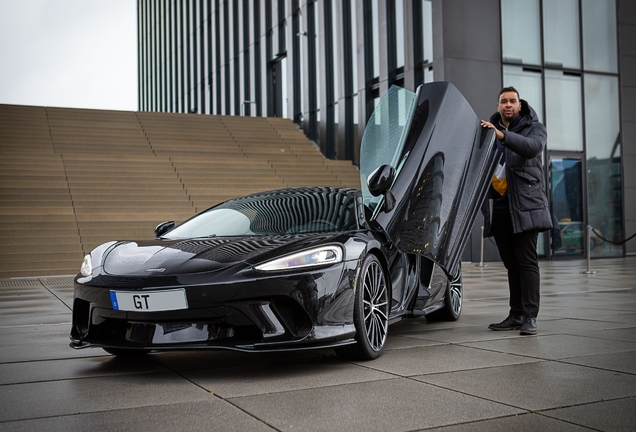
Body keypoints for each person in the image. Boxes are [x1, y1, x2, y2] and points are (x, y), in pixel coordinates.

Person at [480, 86, 552, 336]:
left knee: (526, 262)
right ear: (498, 106)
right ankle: (516, 314)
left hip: (525, 206)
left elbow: (531, 148)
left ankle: (530, 317)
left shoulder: (535, 128)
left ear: (520, 105)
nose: (508, 105)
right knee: (511, 264)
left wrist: (502, 136)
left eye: (512, 101)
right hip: (499, 206)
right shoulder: (487, 132)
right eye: (503, 101)